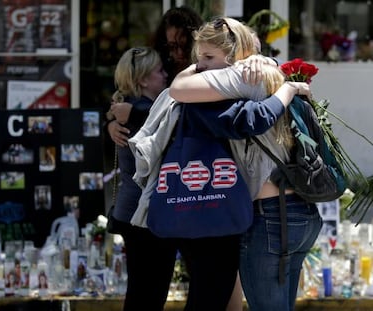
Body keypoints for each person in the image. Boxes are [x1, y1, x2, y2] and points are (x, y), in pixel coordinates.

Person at [129, 17, 312, 311]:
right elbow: (249, 118)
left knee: (212, 295)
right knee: (214, 294)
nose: (201, 64)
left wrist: (267, 69)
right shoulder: (224, 87)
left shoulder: (223, 86)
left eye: (208, 57)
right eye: (198, 57)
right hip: (229, 209)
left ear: (233, 56)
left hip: (208, 206)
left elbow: (247, 113)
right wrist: (285, 88)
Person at [106, 46, 176, 311]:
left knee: (141, 291)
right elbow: (172, 125)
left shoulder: (129, 108)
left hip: (131, 211)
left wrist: (110, 121)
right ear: (144, 79)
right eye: (159, 70)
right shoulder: (143, 112)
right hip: (146, 214)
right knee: (150, 294)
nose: (165, 74)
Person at [107, 6, 203, 147]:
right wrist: (111, 125)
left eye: (185, 45)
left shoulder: (206, 71)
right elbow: (123, 98)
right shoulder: (159, 68)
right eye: (172, 46)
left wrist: (134, 114)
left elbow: (194, 118)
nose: (180, 53)